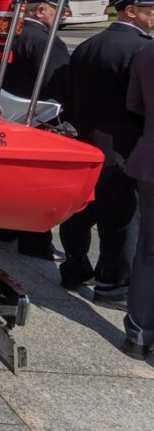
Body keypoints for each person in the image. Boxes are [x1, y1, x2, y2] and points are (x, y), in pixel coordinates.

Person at [60, 0, 154, 309]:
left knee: (80, 213)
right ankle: (112, 287)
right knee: (121, 222)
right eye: (151, 11)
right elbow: (140, 104)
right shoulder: (141, 49)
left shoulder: (88, 45)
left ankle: (74, 268)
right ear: (131, 11)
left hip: (85, 140)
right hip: (122, 147)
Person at [0, 0, 70, 259]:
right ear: (40, 11)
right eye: (58, 9)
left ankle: (5, 230)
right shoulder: (46, 41)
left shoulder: (9, 35)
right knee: (35, 186)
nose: (65, 15)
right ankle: (35, 243)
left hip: (10, 115)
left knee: (10, 180)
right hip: (38, 118)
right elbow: (58, 84)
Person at [124, 36, 154, 359]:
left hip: (149, 159)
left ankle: (139, 335)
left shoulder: (148, 50)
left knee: (148, 250)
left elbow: (133, 103)